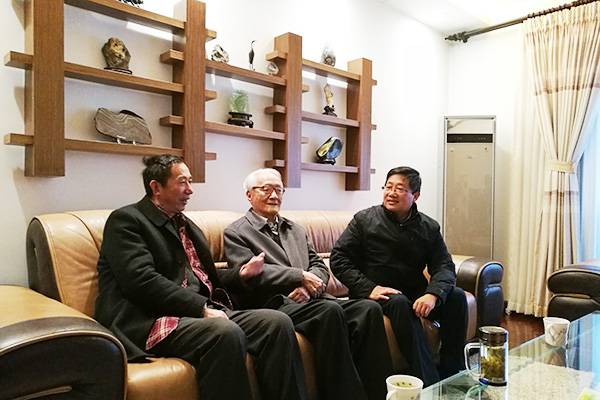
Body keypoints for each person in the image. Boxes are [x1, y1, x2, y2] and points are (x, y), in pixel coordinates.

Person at [94, 155, 307, 400]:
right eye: (182, 182)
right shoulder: (127, 221)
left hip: (197, 312)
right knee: (224, 331)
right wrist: (201, 309)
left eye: (190, 181)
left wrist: (241, 274)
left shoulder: (185, 225)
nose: (190, 190)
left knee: (276, 323)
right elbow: (141, 281)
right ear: (156, 187)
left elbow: (203, 276)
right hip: (151, 318)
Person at [222, 168, 393, 400]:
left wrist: (308, 286)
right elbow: (251, 273)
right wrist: (298, 276)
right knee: (329, 311)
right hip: (276, 304)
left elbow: (319, 265)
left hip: (310, 299)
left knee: (368, 309)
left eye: (279, 190)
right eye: (266, 189)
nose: (274, 195)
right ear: (249, 195)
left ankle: (380, 394)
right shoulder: (236, 232)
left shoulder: (295, 229)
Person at [330, 166, 468, 386]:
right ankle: (428, 382)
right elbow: (339, 258)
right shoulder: (364, 220)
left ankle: (453, 374)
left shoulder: (428, 227)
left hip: (413, 292)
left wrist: (433, 294)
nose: (391, 193)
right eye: (388, 187)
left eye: (400, 189)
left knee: (457, 297)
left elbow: (444, 265)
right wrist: (368, 288)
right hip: (375, 295)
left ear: (415, 196)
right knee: (398, 302)